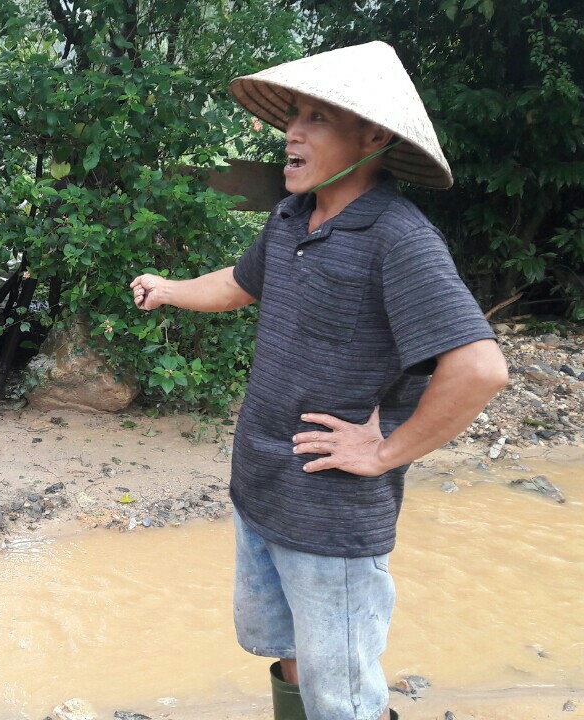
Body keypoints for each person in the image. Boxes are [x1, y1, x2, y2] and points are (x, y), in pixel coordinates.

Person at [129, 42, 509, 720]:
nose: (292, 133)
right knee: (288, 652)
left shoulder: (399, 237)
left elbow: (480, 367)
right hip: (262, 489)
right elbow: (239, 285)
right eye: (293, 116)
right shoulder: (290, 219)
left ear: (373, 136)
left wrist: (385, 450)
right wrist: (169, 288)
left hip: (333, 519)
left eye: (316, 119)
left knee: (345, 696)